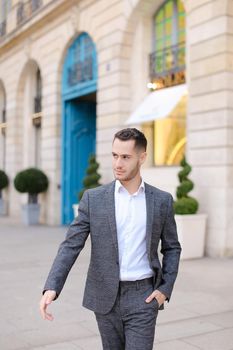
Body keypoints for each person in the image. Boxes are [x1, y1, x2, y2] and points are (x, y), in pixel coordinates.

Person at [40, 128, 181, 350]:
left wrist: (165, 289)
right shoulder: (93, 199)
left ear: (142, 157)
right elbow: (71, 245)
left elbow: (172, 248)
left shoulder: (161, 200)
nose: (118, 163)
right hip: (105, 296)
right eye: (115, 155)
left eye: (126, 157)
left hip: (143, 296)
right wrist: (52, 287)